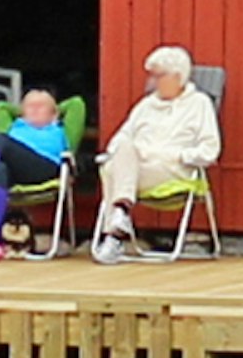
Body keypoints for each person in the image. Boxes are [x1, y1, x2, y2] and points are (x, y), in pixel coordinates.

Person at [89, 46, 220, 256]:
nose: (154, 81)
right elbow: (121, 138)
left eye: (159, 75)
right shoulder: (146, 105)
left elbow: (210, 149)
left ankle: (114, 235)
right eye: (153, 75)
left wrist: (180, 155)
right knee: (120, 153)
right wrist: (120, 152)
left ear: (178, 76)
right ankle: (119, 220)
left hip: (172, 169)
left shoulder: (199, 104)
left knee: (112, 171)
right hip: (138, 169)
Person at [0, 82, 75, 254]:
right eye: (29, 107)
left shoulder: (56, 129)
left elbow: (76, 104)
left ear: (54, 114)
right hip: (17, 171)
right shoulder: (16, 127)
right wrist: (22, 112)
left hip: (45, 167)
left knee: (0, 140)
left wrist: (55, 108)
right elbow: (0, 107)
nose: (34, 110)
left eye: (41, 106)